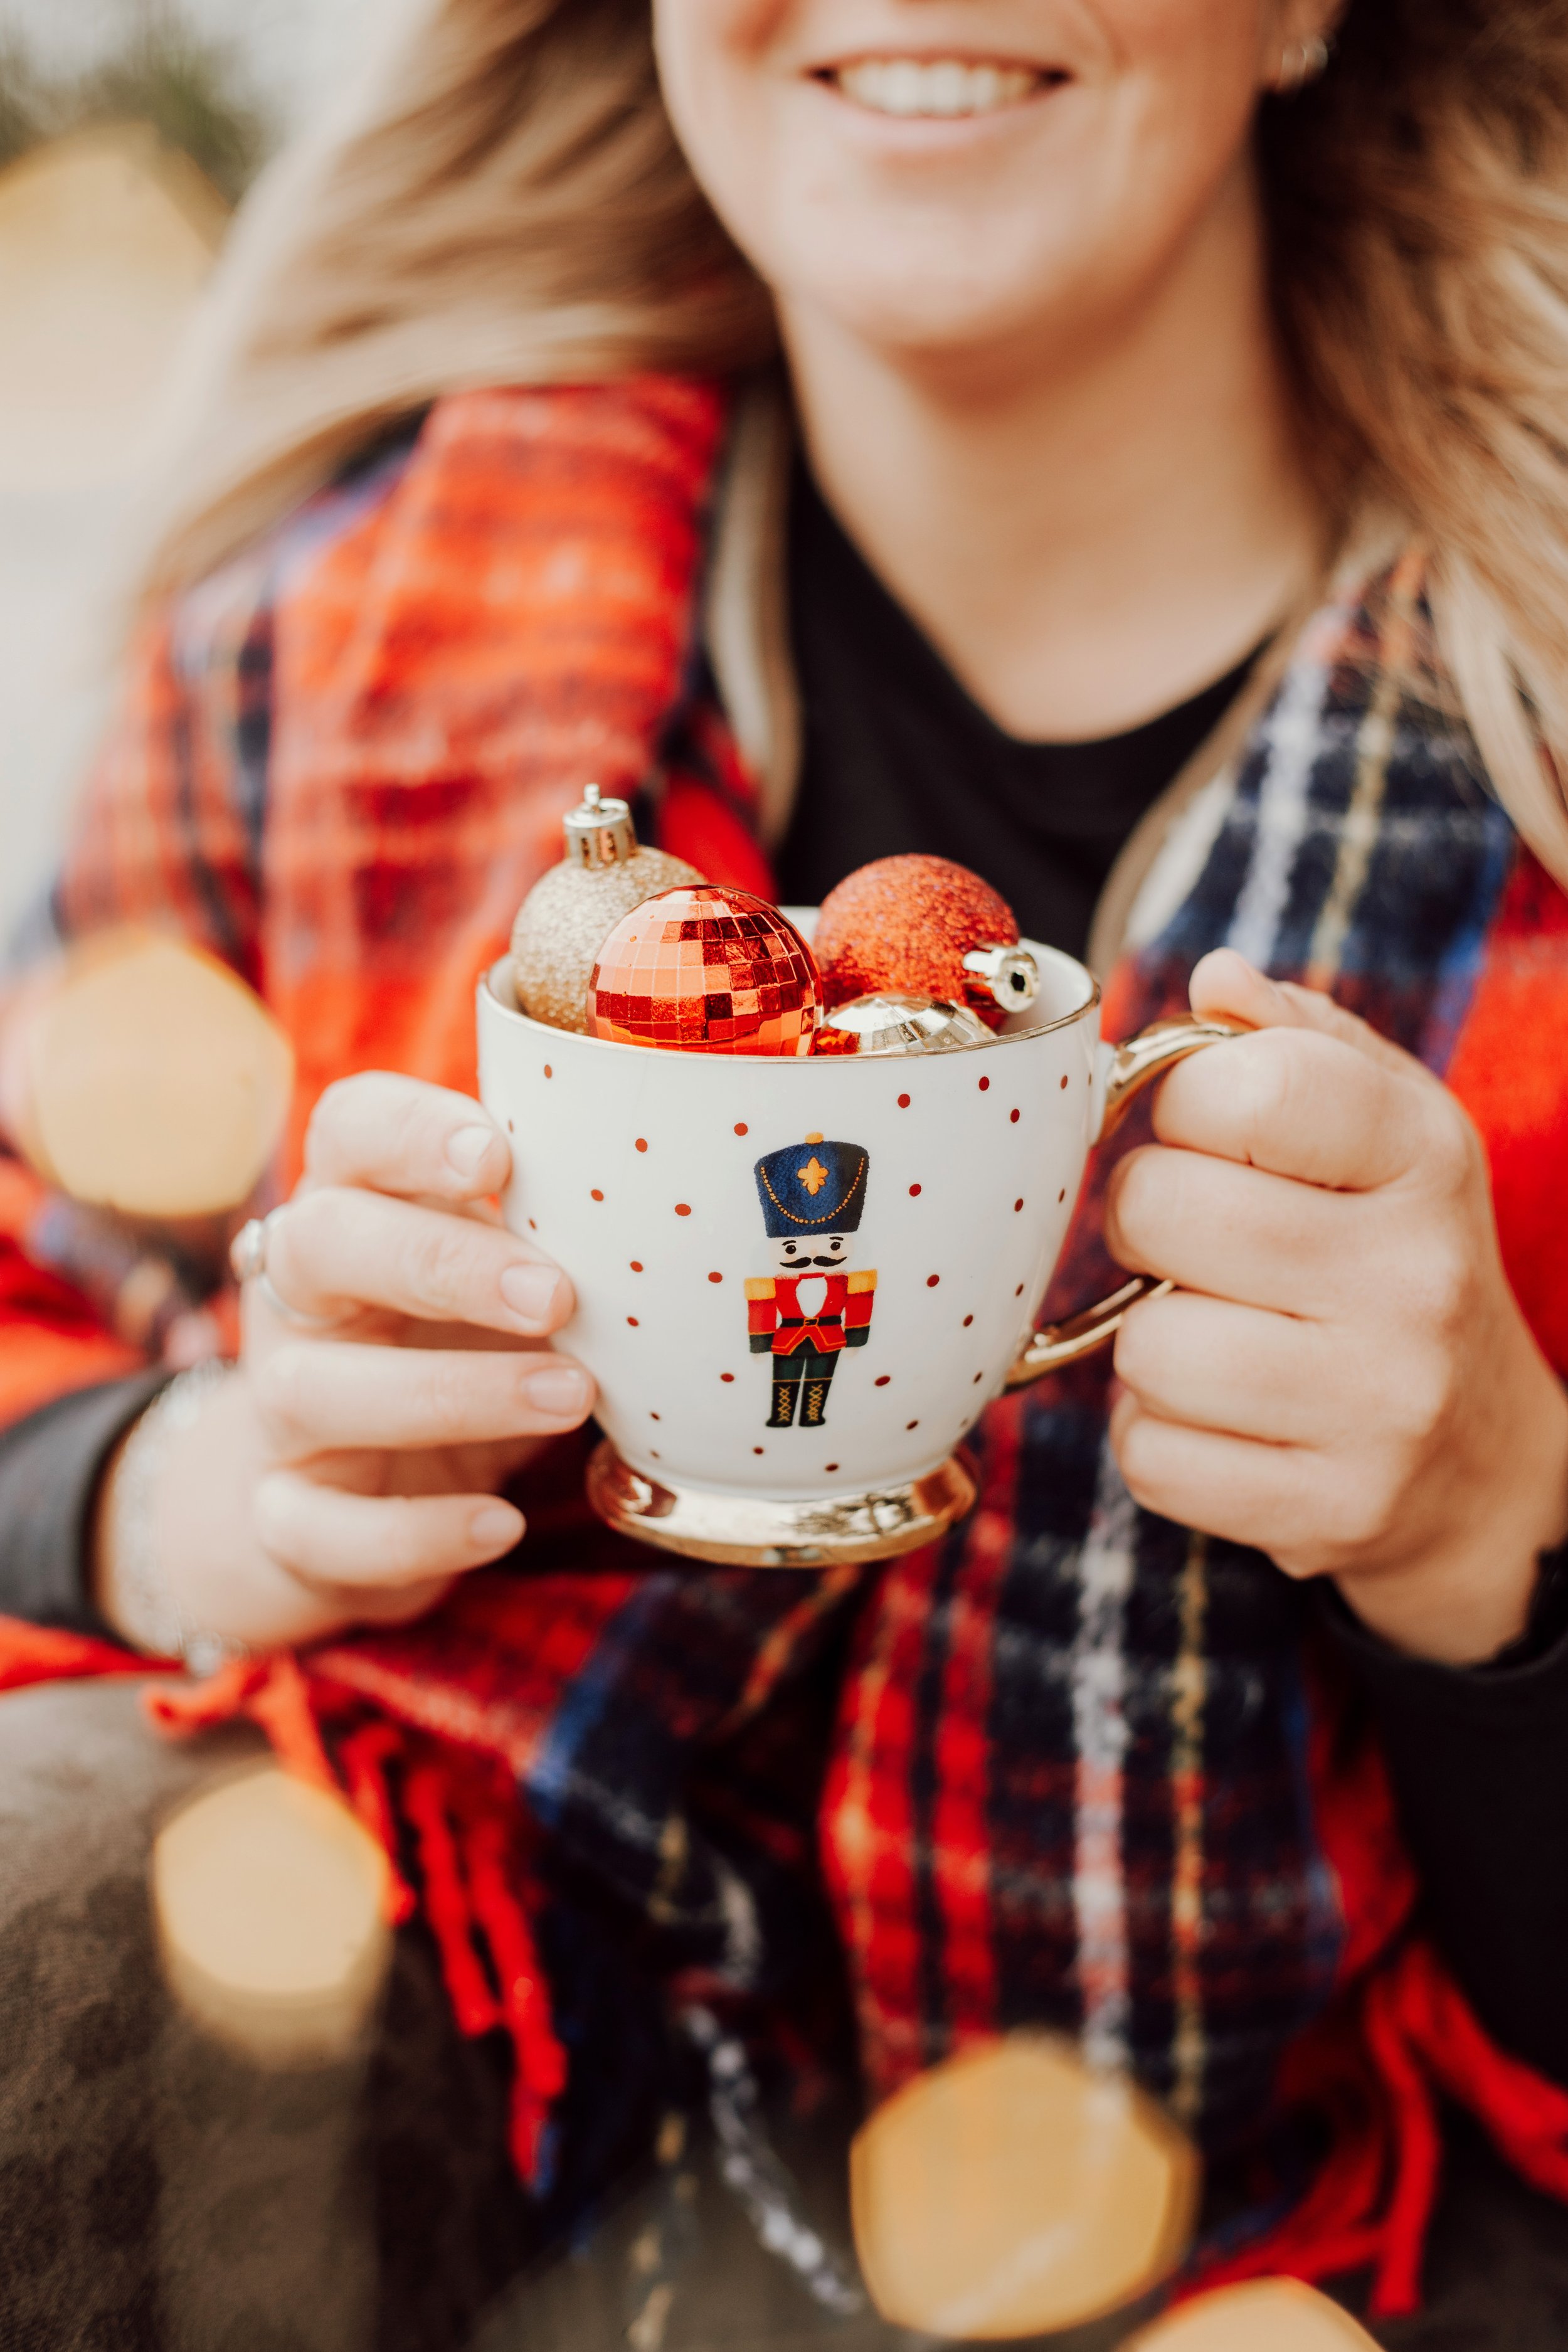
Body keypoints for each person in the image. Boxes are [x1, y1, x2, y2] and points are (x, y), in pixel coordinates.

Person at [4, 0, 1568, 2335]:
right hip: (481, 2060)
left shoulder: (1525, 825)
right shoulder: (317, 665)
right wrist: (221, 1486)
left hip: (1297, 2201)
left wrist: (1495, 1543)